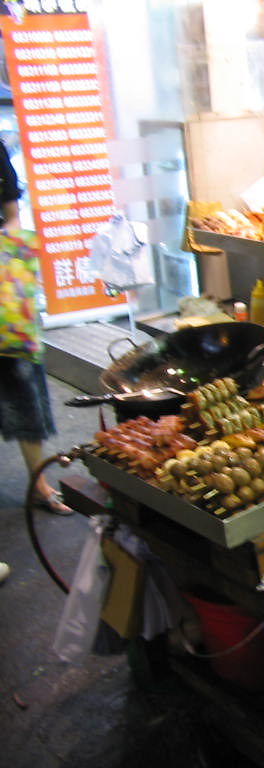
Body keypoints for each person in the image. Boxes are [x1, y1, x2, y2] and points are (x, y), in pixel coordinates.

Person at [0, 141, 70, 585]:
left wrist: (9, 255)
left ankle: (39, 483)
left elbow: (11, 212)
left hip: (3, 289)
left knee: (23, 384)